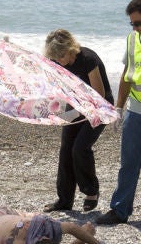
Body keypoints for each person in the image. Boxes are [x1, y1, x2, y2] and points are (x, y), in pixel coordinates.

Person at [43, 29, 114, 213]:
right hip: (76, 105)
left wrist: (77, 113)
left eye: (61, 56)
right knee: (66, 149)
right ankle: (64, 200)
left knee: (80, 148)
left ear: (70, 48)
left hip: (100, 106)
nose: (59, 61)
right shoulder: (56, 61)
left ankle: (91, 192)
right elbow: (58, 88)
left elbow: (99, 95)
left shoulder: (88, 59)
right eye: (55, 58)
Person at [95, 0, 141, 225]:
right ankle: (120, 210)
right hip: (136, 110)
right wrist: (118, 108)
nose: (135, 28)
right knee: (128, 163)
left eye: (138, 23)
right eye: (132, 24)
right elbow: (127, 75)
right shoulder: (133, 39)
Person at [0, 206, 102, 244]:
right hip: (25, 224)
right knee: (70, 227)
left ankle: (86, 233)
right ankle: (87, 233)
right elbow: (72, 227)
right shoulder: (37, 224)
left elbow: (72, 228)